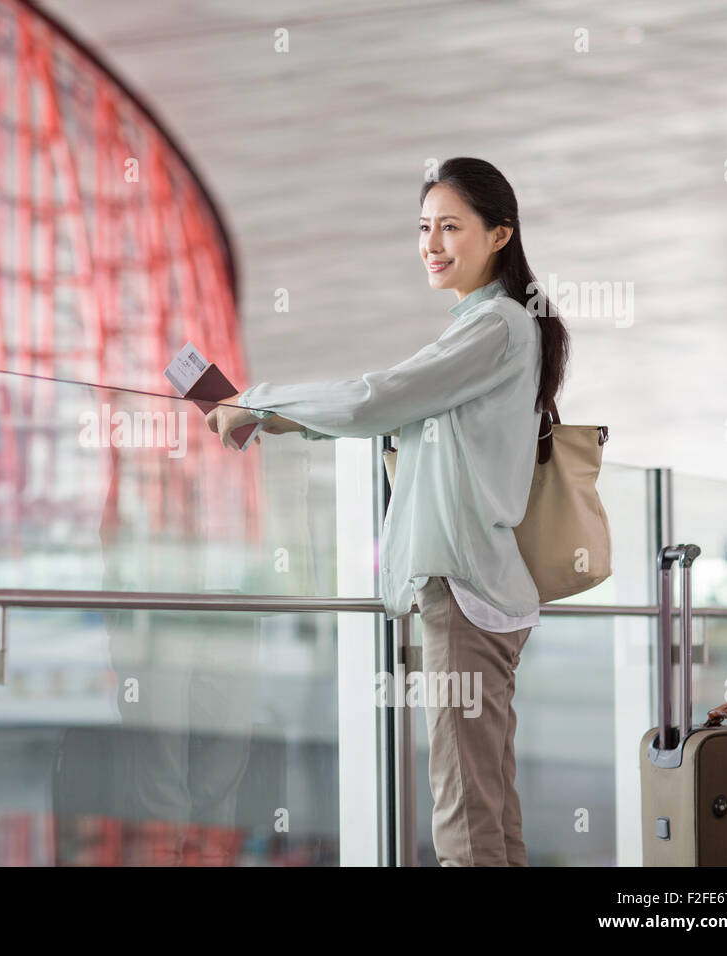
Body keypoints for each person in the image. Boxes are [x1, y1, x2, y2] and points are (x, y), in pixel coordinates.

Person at [204, 157, 569, 867]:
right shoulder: (495, 327)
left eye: (451, 227)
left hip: (461, 589)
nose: (432, 243)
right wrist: (280, 421)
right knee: (489, 805)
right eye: (425, 227)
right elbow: (402, 416)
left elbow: (380, 398)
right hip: (482, 586)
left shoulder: (492, 328)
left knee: (465, 812)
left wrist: (262, 398)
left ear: (500, 236)